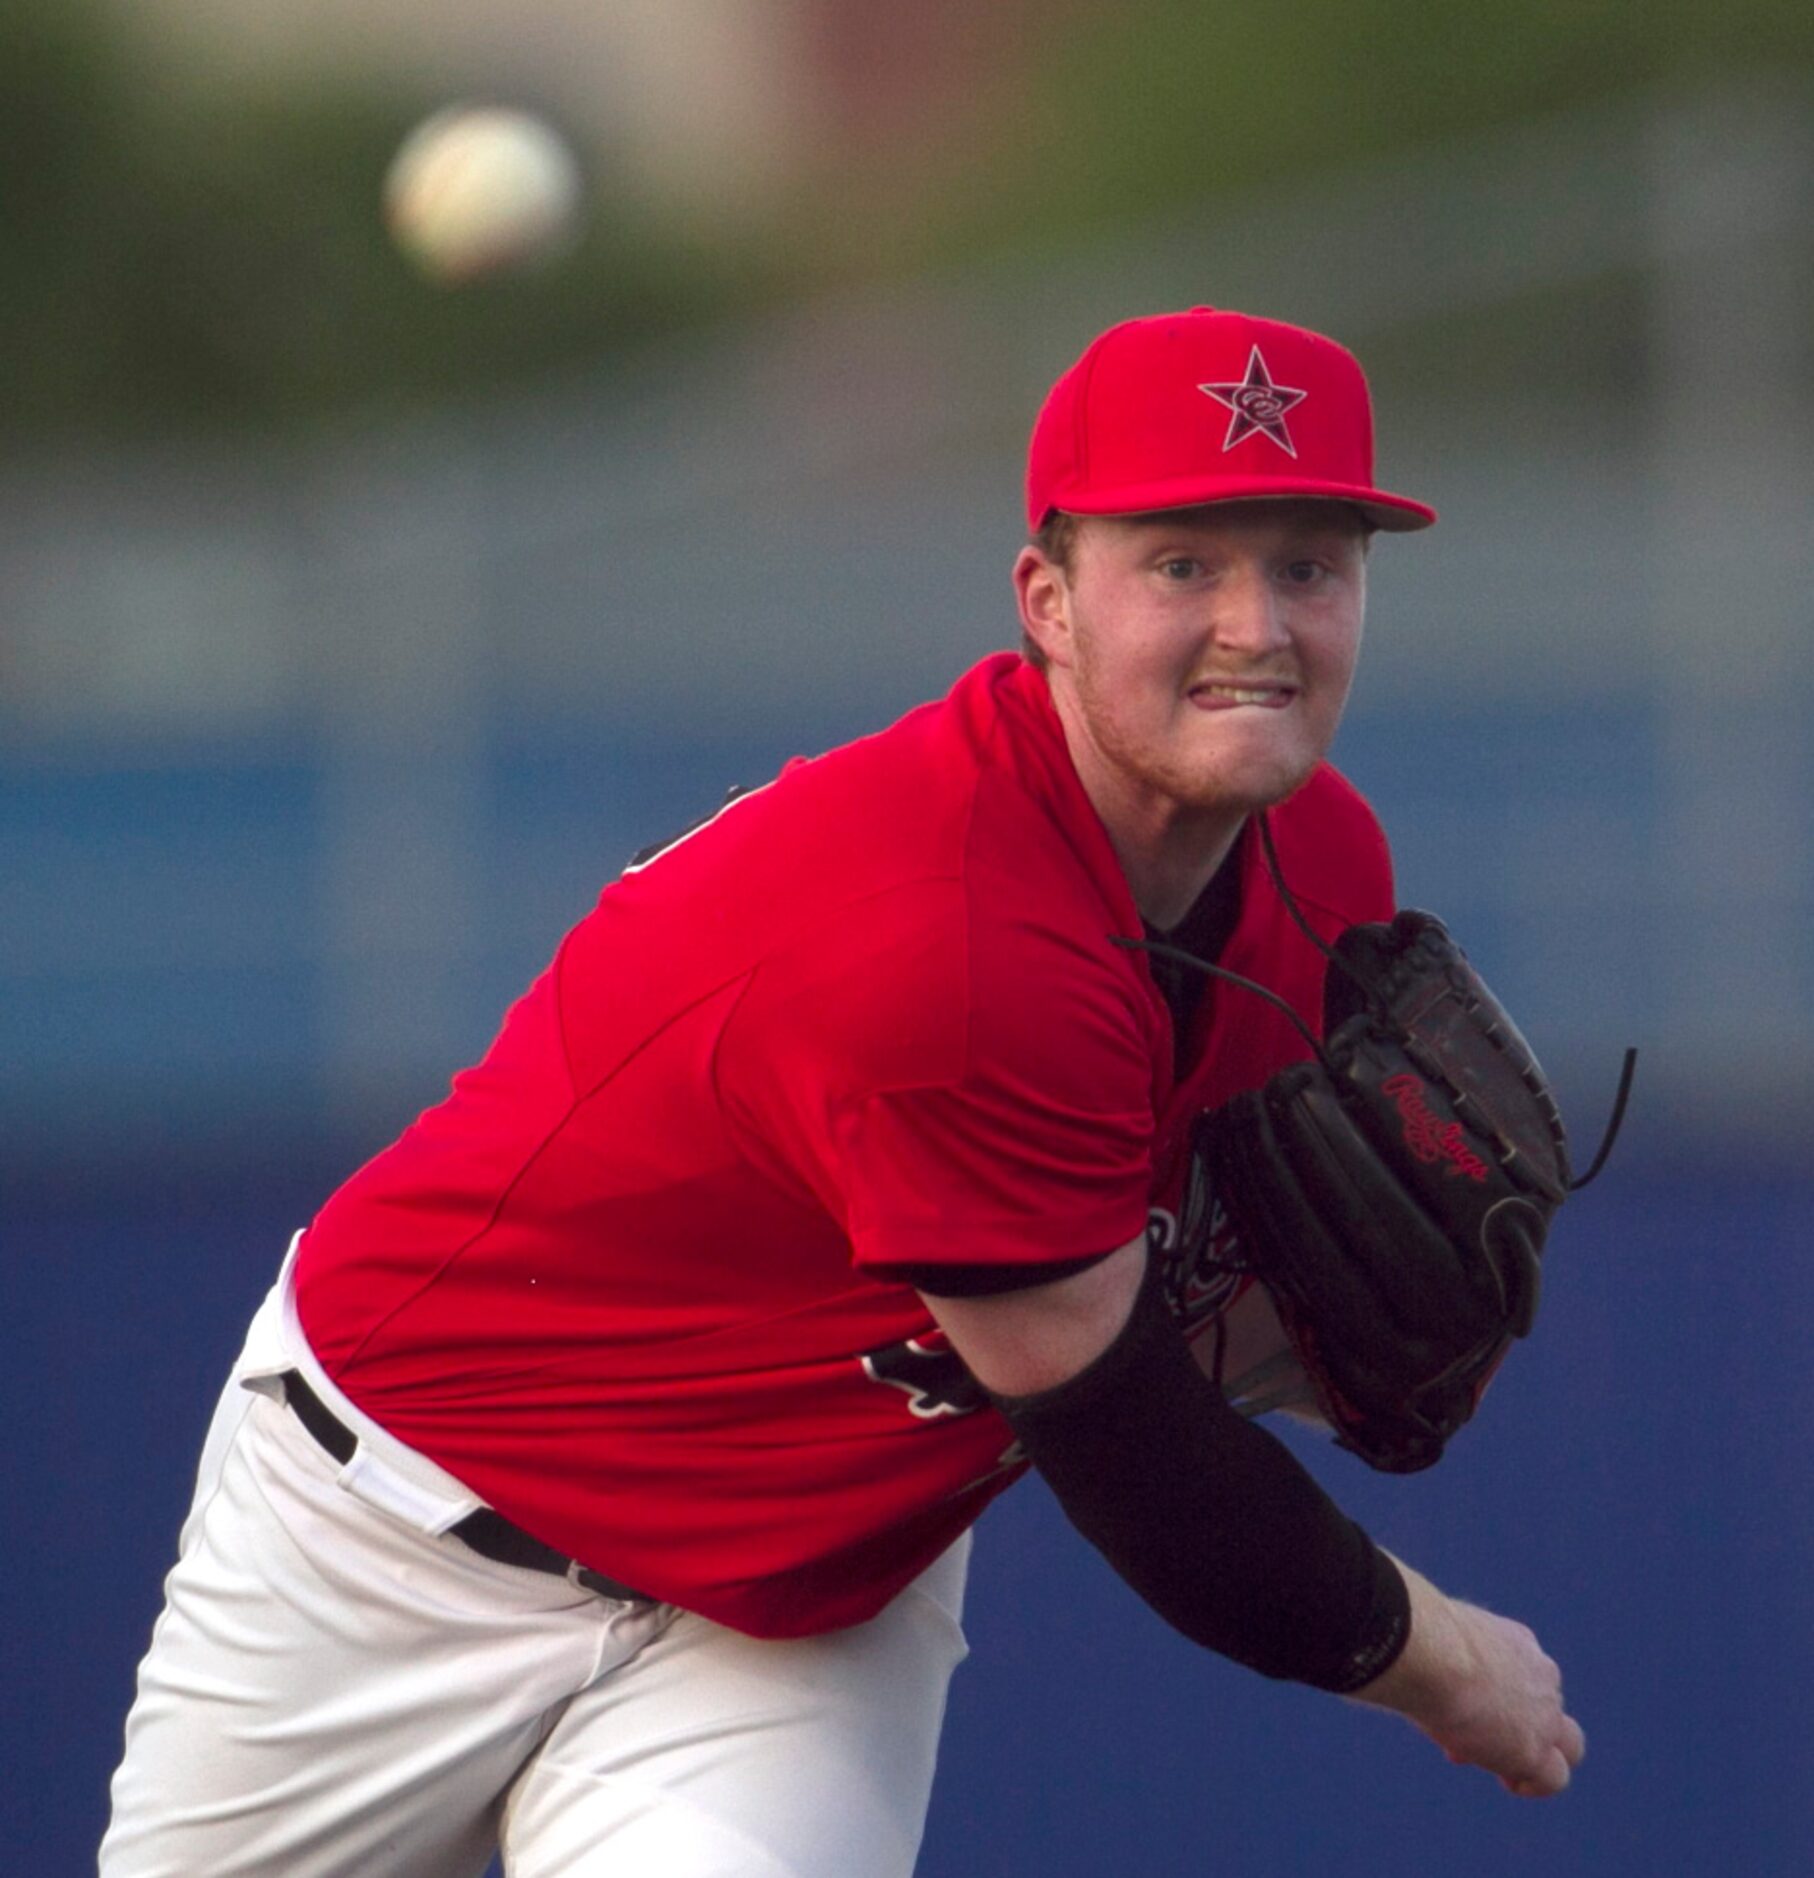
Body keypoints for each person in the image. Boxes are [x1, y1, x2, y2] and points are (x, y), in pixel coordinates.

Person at [101, 306, 1584, 1878]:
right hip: (394, 1537)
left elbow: (1175, 1320)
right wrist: (1439, 1656)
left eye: (1308, 563)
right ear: (1047, 602)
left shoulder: (1323, 865)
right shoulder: (946, 947)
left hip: (782, 1614)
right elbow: (1139, 1454)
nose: (1256, 624)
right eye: (1180, 564)